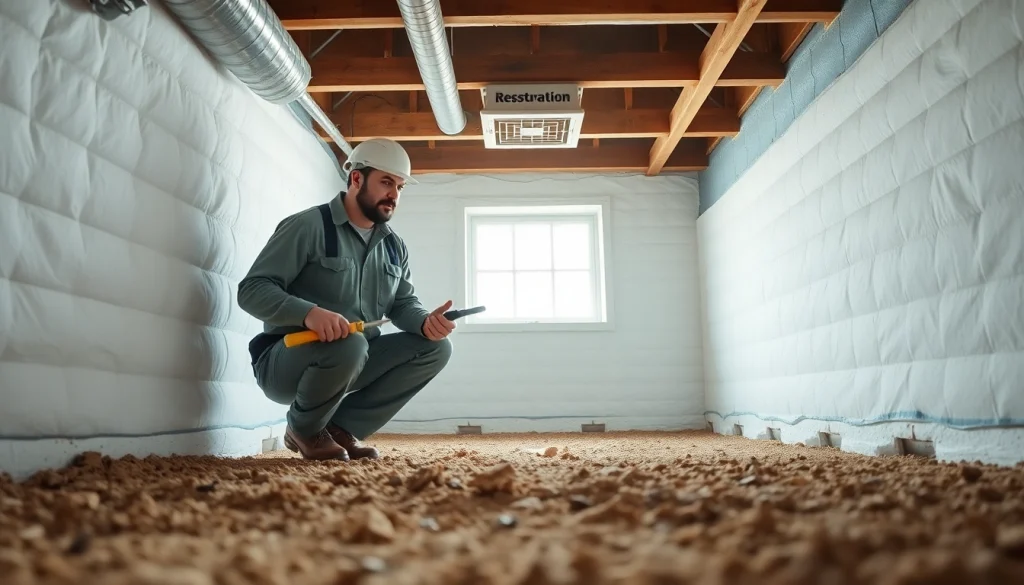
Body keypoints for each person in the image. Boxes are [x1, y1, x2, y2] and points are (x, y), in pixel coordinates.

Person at [237, 138, 455, 461]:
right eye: (386, 182)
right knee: (352, 344)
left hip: (355, 357)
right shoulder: (308, 226)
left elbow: (402, 304)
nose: (394, 194)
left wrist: (425, 322)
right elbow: (252, 290)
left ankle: (339, 429)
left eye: (400, 186)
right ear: (356, 179)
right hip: (285, 359)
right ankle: (304, 429)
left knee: (437, 349)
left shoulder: (393, 246)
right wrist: (309, 314)